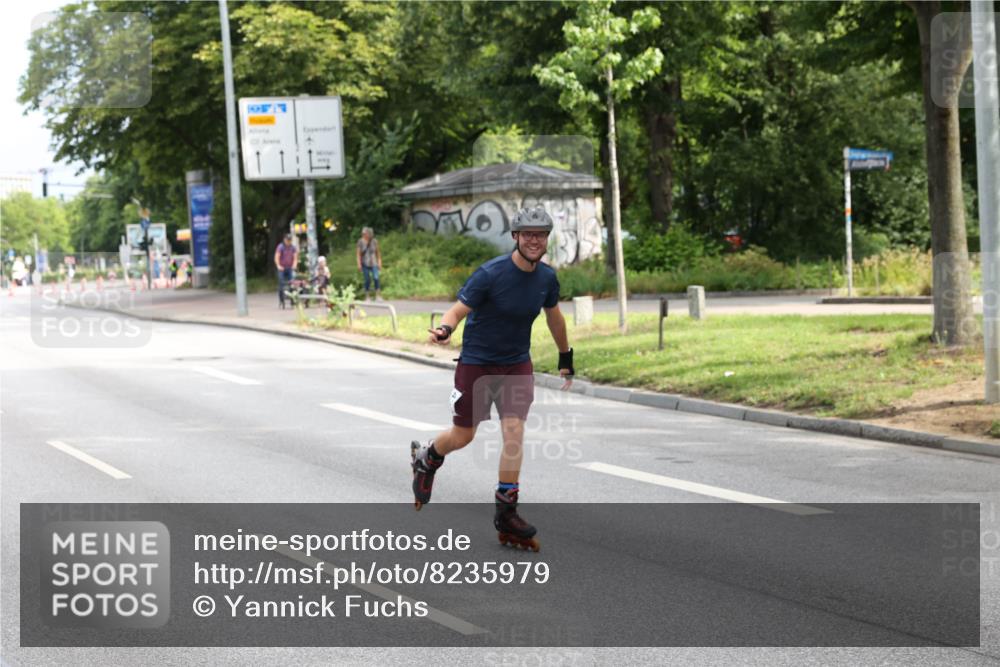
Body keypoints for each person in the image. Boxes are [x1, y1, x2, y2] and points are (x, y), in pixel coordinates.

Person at [409, 205, 575, 552]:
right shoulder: (490, 273)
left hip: (516, 365)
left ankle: (506, 512)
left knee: (514, 433)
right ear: (515, 236)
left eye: (540, 235)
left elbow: (554, 317)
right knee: (463, 435)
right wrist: (445, 329)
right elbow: (457, 310)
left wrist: (565, 356)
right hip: (478, 364)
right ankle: (428, 458)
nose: (534, 240)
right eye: (527, 234)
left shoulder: (546, 278)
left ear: (547, 239)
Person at [356, 227, 382, 301]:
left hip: (374, 262)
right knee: (367, 279)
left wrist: (379, 262)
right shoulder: (360, 242)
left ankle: (378, 295)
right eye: (364, 234)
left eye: (366, 233)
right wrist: (359, 264)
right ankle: (367, 296)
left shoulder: (374, 241)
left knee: (376, 278)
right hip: (365, 263)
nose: (365, 235)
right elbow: (358, 254)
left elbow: (378, 252)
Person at [274, 233, 299, 309]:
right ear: (284, 240)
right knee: (281, 283)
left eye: (290, 240)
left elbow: (295, 258)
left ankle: (292, 300)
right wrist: (278, 266)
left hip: (290, 268)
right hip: (282, 268)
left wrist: (294, 265)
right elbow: (277, 257)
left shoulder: (293, 247)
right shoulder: (280, 247)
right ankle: (281, 300)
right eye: (287, 240)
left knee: (292, 283)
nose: (289, 241)